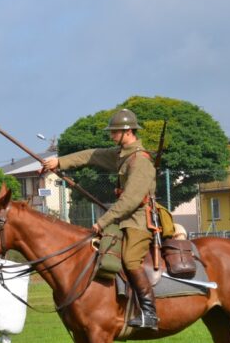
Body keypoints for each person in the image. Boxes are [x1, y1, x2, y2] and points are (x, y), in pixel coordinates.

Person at [43, 108, 159, 330]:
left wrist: (102, 222)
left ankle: (149, 313)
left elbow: (131, 201)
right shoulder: (122, 155)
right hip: (123, 219)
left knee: (130, 259)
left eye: (115, 132)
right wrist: (59, 163)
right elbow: (91, 155)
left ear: (128, 131)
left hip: (138, 221)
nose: (111, 135)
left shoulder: (140, 161)